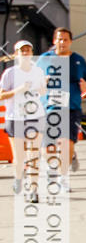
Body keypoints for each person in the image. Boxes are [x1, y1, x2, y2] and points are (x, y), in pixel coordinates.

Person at [37, 28, 86, 190]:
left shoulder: (78, 60)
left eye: (65, 39)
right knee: (49, 146)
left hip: (71, 107)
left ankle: (63, 177)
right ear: (54, 41)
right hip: (49, 107)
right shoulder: (44, 59)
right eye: (59, 39)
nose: (62, 42)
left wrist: (85, 86)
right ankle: (52, 169)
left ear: (70, 41)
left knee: (67, 142)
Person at [0, 39, 45, 200]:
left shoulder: (38, 71)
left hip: (35, 116)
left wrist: (42, 87)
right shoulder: (10, 73)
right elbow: (1, 95)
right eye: (22, 51)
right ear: (16, 54)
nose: (25, 53)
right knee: (19, 157)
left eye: (28, 50)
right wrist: (19, 89)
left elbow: (42, 92)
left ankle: (34, 189)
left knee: (33, 154)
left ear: (32, 54)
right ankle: (18, 177)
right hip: (15, 118)